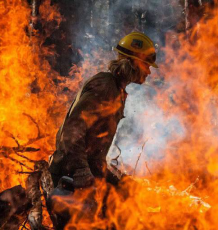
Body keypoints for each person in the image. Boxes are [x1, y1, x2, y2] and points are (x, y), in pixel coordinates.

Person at [48, 31, 158, 190]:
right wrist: (80, 171)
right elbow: (72, 130)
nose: (148, 72)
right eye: (146, 65)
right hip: (67, 180)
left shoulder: (118, 91)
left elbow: (95, 157)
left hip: (83, 176)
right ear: (134, 63)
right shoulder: (104, 86)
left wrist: (117, 183)